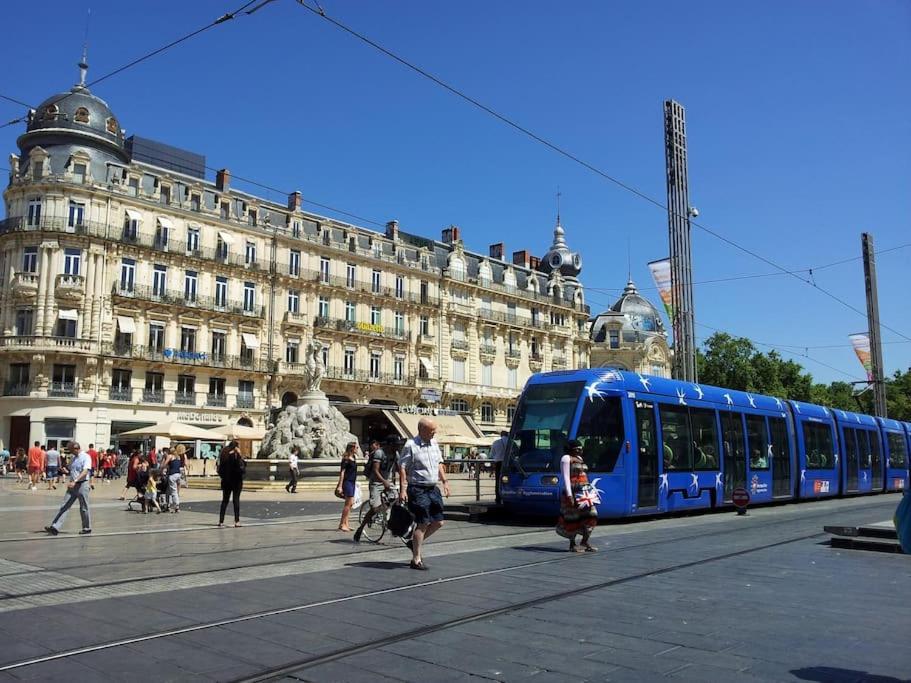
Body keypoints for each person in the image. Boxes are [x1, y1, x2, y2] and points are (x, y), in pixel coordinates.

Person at [398, 418, 450, 570]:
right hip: (417, 488)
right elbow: (402, 467)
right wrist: (402, 489)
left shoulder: (434, 443)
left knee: (439, 522)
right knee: (423, 522)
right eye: (431, 430)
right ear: (421, 430)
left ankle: (412, 543)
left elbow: (439, 463)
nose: (435, 432)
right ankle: (416, 559)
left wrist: (445, 481)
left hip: (433, 488)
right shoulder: (411, 445)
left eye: (435, 430)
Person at [556, 439, 597, 553]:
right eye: (578, 448)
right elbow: (566, 478)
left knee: (592, 515)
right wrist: (569, 495)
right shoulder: (566, 458)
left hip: (584, 492)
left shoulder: (580, 459)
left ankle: (585, 540)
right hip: (573, 491)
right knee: (572, 517)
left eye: (581, 448)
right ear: (571, 449)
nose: (580, 450)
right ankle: (572, 544)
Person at [44, 441, 92, 535]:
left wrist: (75, 481)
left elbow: (85, 471)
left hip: (82, 484)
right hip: (72, 485)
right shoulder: (74, 458)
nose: (70, 452)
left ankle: (87, 528)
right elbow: (70, 469)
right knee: (64, 505)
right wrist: (64, 470)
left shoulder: (86, 457)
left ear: (76, 448)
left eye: (71, 450)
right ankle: (55, 527)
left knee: (84, 507)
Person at [353, 438, 395, 542]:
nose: (397, 447)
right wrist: (384, 481)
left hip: (387, 482)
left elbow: (396, 469)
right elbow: (375, 470)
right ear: (390, 445)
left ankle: (389, 520)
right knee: (375, 508)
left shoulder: (395, 454)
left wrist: (396, 482)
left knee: (396, 500)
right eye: (395, 445)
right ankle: (361, 527)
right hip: (376, 483)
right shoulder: (379, 453)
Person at [217, 441, 245, 527]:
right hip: (236, 481)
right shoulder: (236, 456)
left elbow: (219, 470)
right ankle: (237, 521)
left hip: (226, 481)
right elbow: (242, 469)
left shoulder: (224, 455)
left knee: (225, 501)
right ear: (236, 447)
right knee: (236, 500)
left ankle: (221, 521)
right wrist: (240, 456)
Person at [335, 441, 359, 532]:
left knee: (351, 503)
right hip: (347, 482)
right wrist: (340, 485)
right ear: (352, 448)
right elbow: (342, 472)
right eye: (356, 447)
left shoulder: (353, 458)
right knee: (348, 504)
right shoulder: (346, 459)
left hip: (352, 482)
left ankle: (346, 523)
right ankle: (342, 524)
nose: (357, 449)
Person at [161, 445, 186, 513]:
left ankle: (177, 506)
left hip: (172, 475)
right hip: (178, 474)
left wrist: (163, 460)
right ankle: (167, 505)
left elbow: (164, 465)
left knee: (173, 492)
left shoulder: (170, 456)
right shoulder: (178, 457)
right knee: (168, 491)